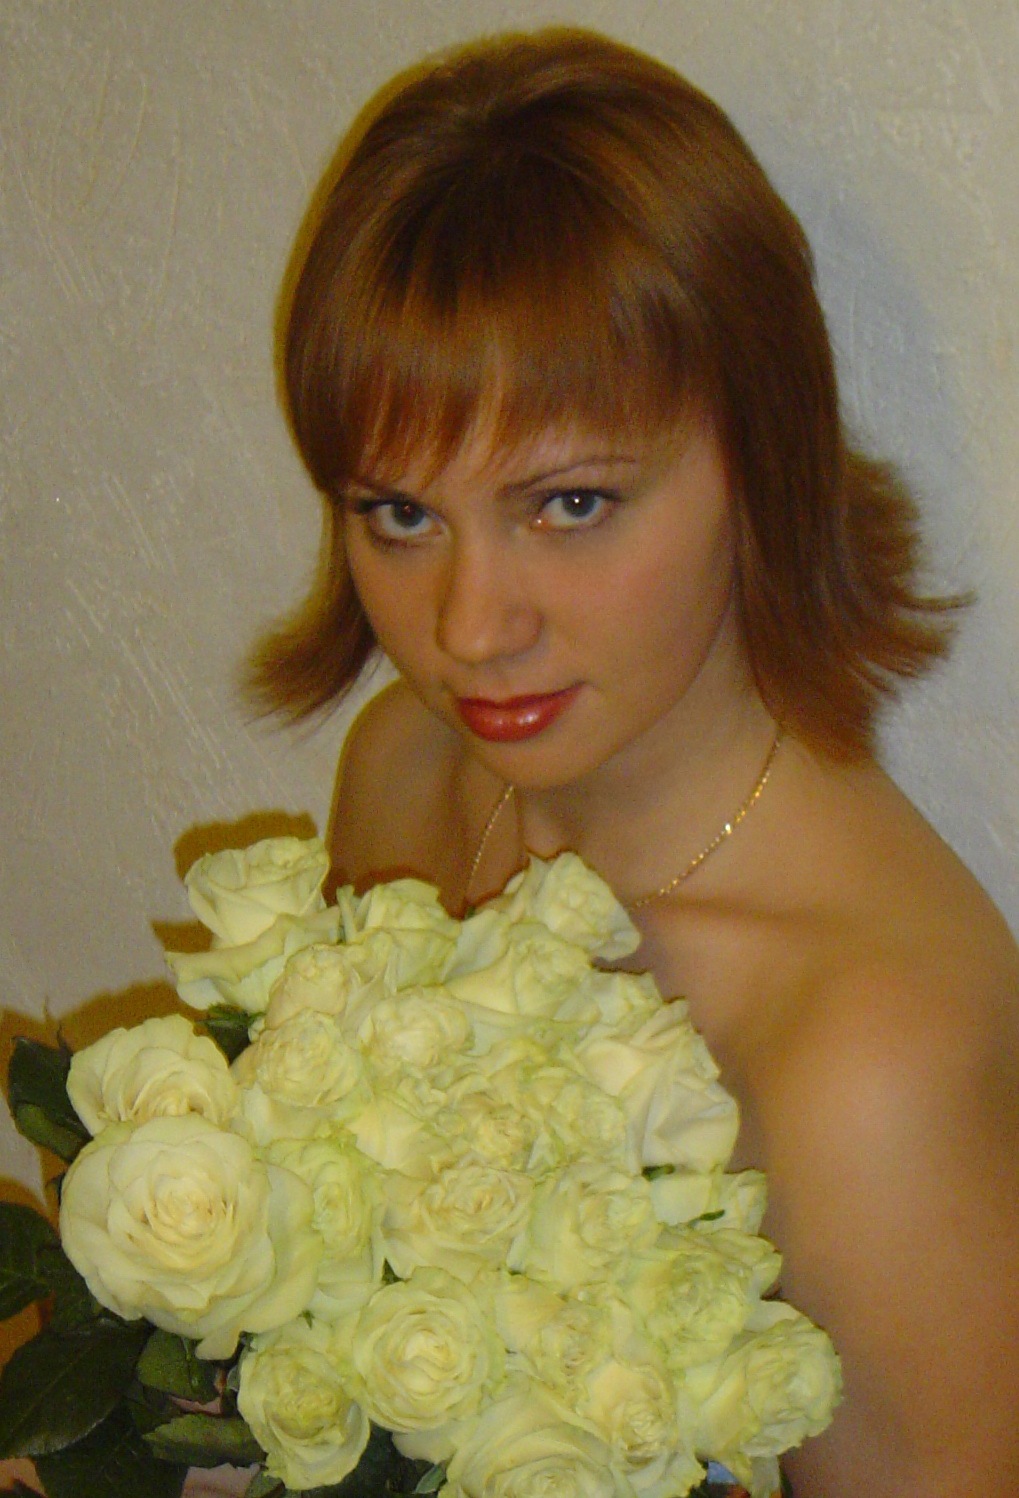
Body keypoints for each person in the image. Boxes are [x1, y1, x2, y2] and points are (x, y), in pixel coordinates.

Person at [252, 27, 1019, 1498]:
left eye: (570, 504)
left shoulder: (871, 1059)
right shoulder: (407, 770)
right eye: (402, 515)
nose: (470, 630)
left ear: (762, 460)